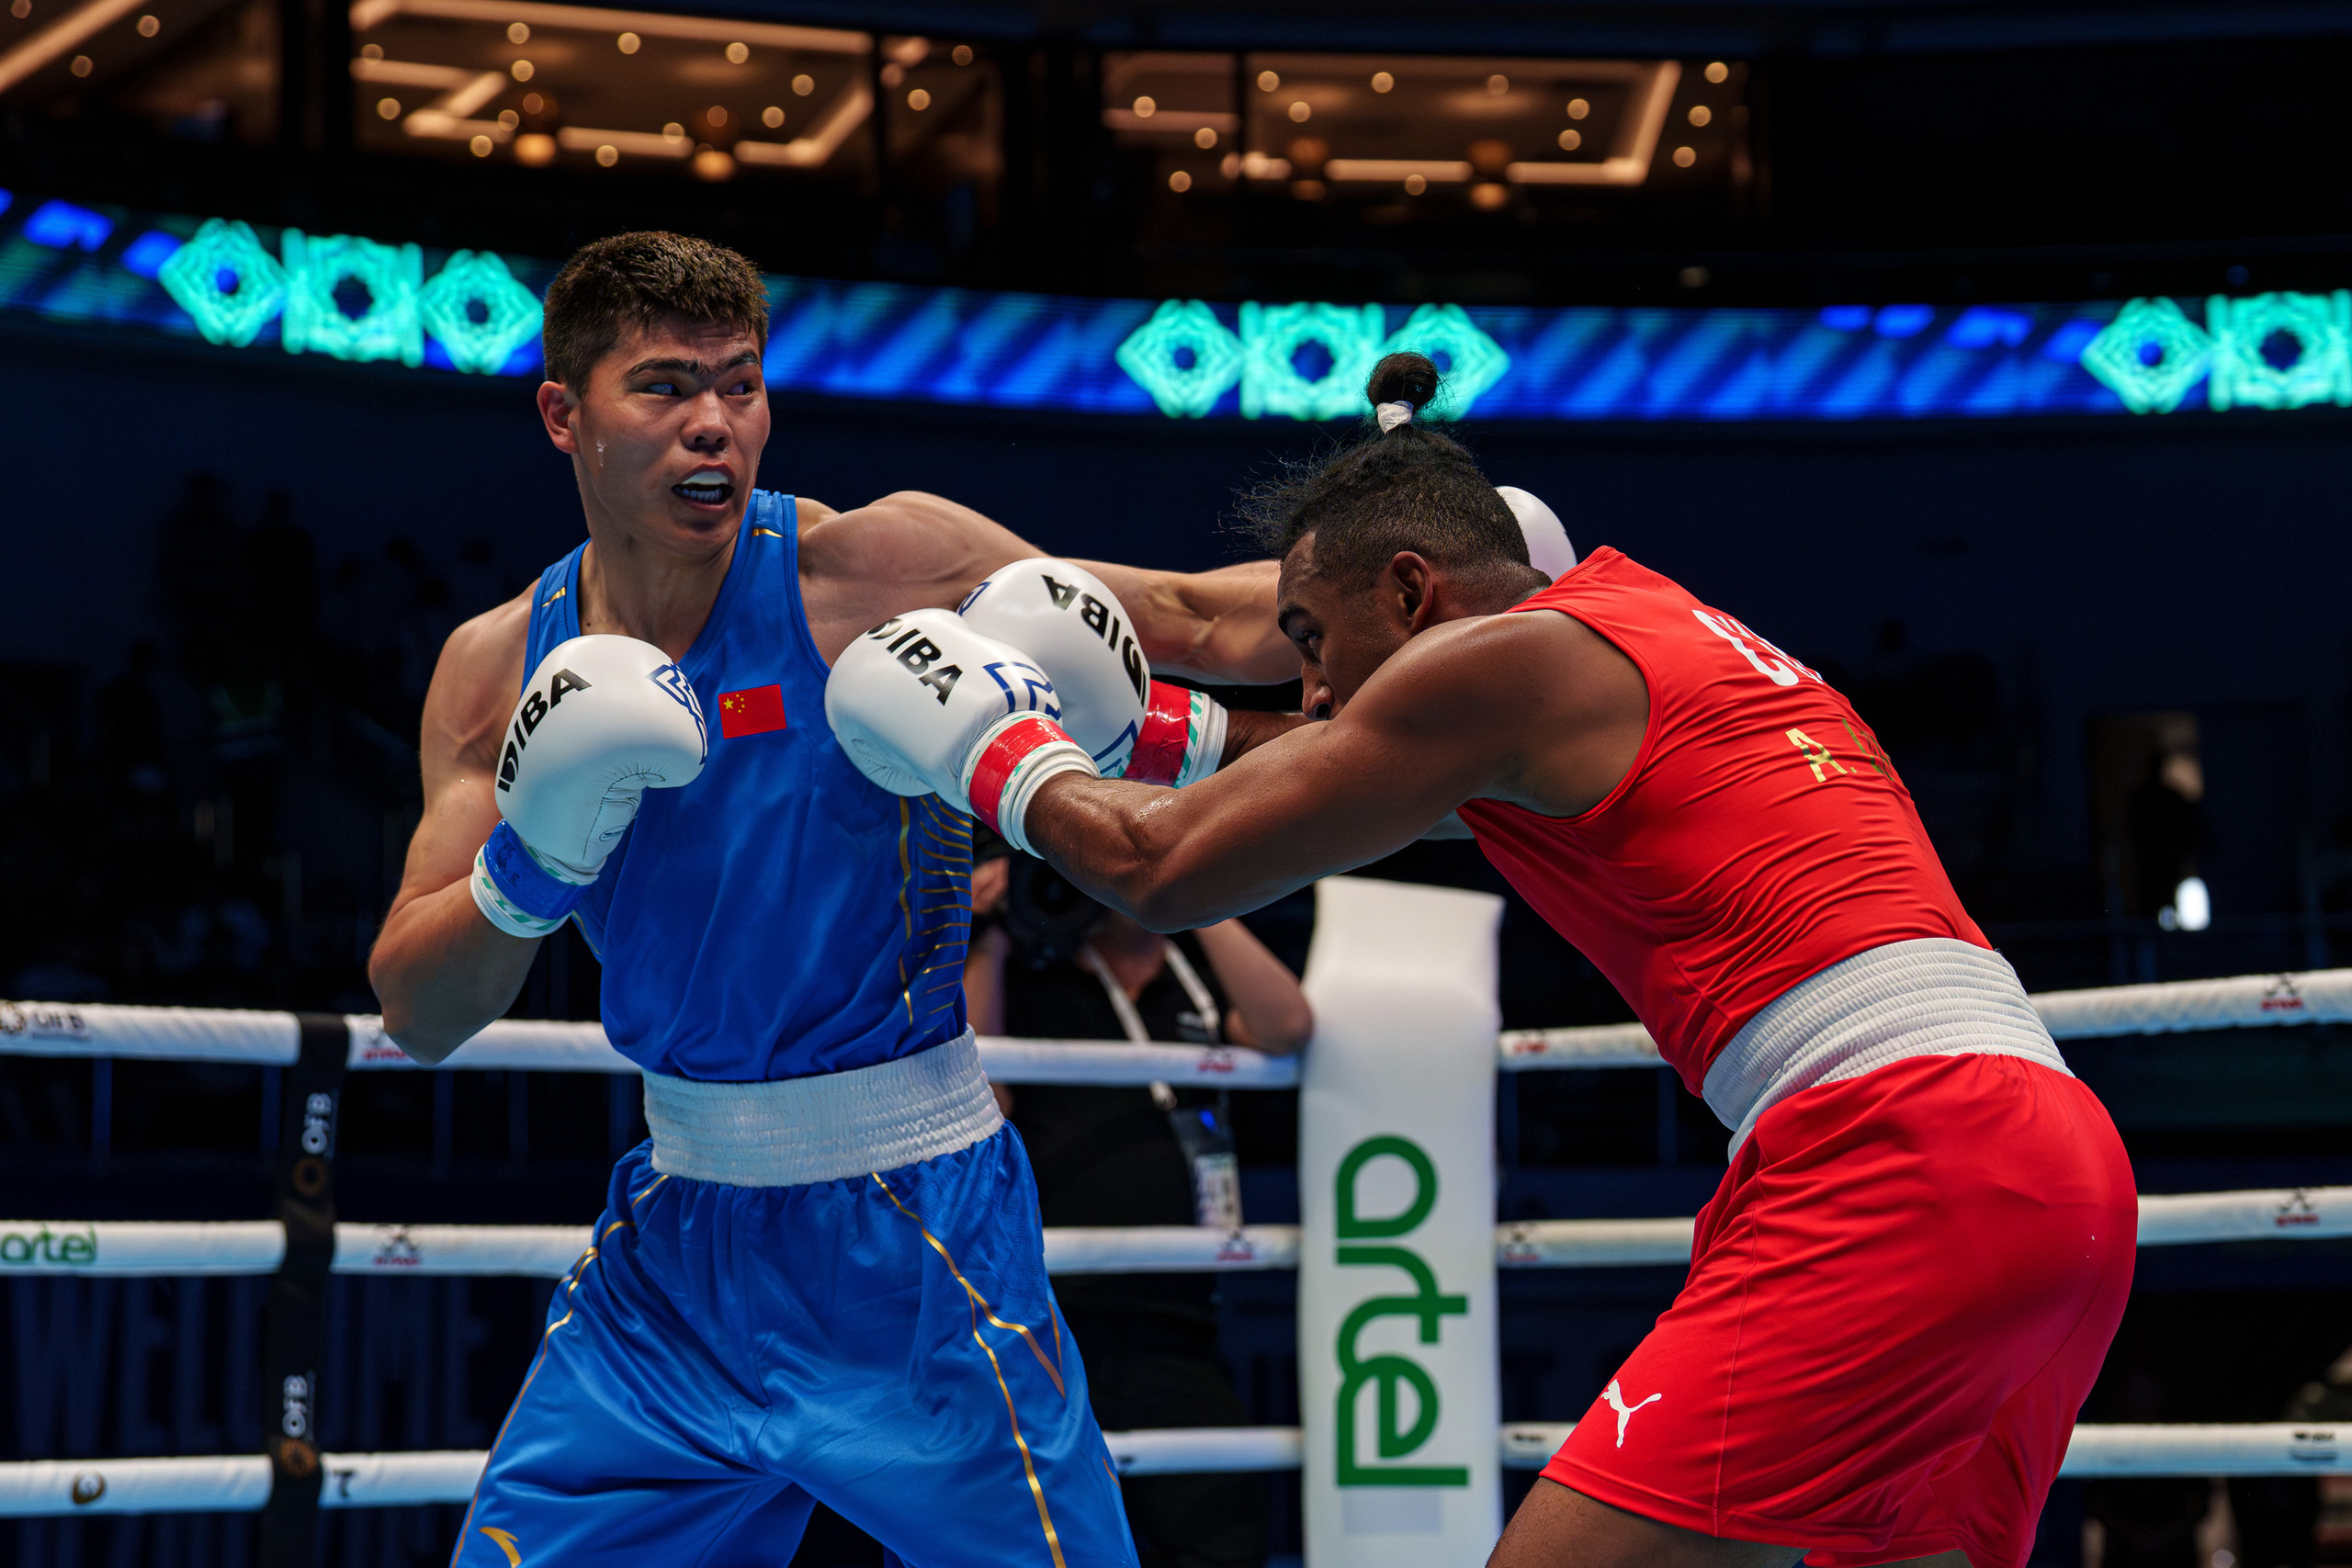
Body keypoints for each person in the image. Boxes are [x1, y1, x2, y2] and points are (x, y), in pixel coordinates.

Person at [824, 351, 2140, 1568]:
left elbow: (1161, 869)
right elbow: (1295, 748)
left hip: (1905, 1158)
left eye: (1318, 646)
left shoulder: (1509, 668)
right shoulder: (1659, 637)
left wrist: (992, 740)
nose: (1320, 693)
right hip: (2049, 1162)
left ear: (1411, 590)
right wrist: (1107, 705)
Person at [366, 231, 1306, 1568]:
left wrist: (1451, 586)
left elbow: (1203, 622)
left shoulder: (869, 570)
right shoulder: (494, 668)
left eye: (739, 384)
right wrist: (535, 860)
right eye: (665, 386)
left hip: (916, 1232)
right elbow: (418, 1001)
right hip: (672, 1258)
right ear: (562, 413)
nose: (713, 423)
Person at [967, 852, 1312, 1568]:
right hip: (1055, 1321)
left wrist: (1199, 888)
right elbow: (981, 1096)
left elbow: (1287, 1023)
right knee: (1056, 1537)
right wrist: (991, 931)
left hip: (1178, 1320)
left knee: (1221, 1534)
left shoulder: (1194, 981)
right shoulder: (1034, 976)